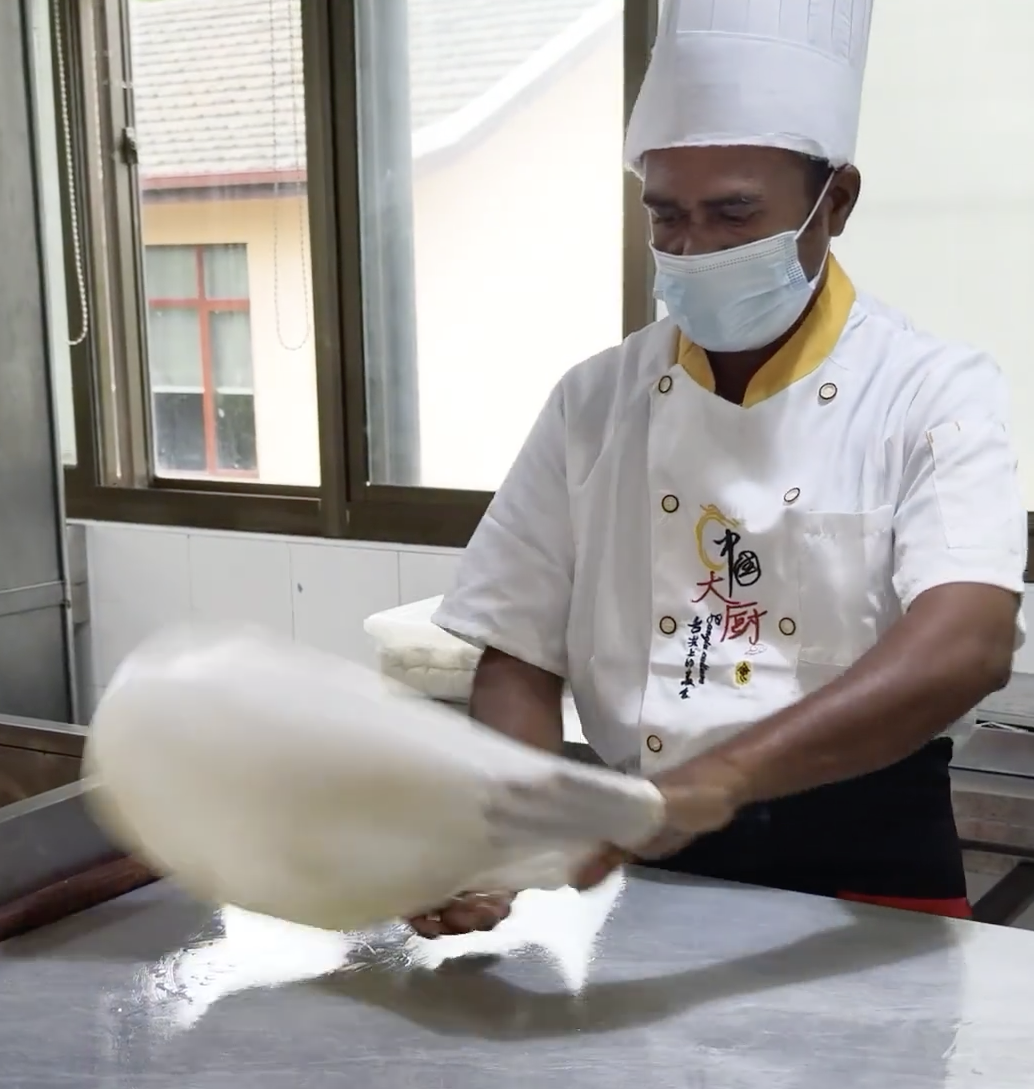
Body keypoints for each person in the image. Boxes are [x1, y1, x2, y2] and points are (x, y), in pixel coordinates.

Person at [408, 0, 1027, 939]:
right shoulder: (595, 401)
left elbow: (969, 643)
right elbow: (519, 651)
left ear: (839, 201)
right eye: (668, 216)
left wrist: (718, 779)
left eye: (735, 213)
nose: (694, 249)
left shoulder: (931, 390)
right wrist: (518, 839)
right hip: (650, 874)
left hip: (872, 889)